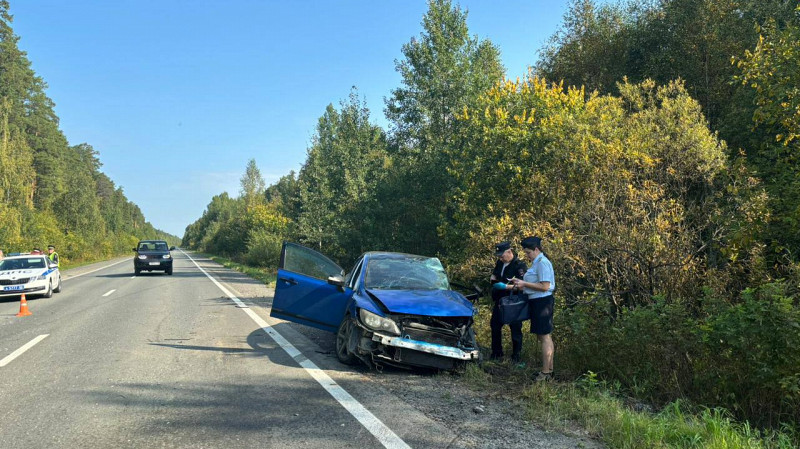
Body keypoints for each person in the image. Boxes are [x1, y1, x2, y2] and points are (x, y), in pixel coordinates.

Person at [509, 236, 556, 382]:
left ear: (536, 249)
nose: (527, 256)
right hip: (537, 302)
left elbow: (545, 286)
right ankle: (548, 370)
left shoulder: (542, 263)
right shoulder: (536, 263)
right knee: (543, 336)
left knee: (544, 336)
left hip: (543, 303)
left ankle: (546, 372)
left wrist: (524, 283)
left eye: (529, 252)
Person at [488, 241, 528, 362]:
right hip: (500, 300)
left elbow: (523, 286)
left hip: (513, 300)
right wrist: (494, 282)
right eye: (498, 255)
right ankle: (496, 353)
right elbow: (494, 276)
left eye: (502, 255)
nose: (500, 257)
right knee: (495, 325)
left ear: (509, 252)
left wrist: (506, 287)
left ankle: (516, 356)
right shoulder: (500, 263)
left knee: (515, 328)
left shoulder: (519, 265)